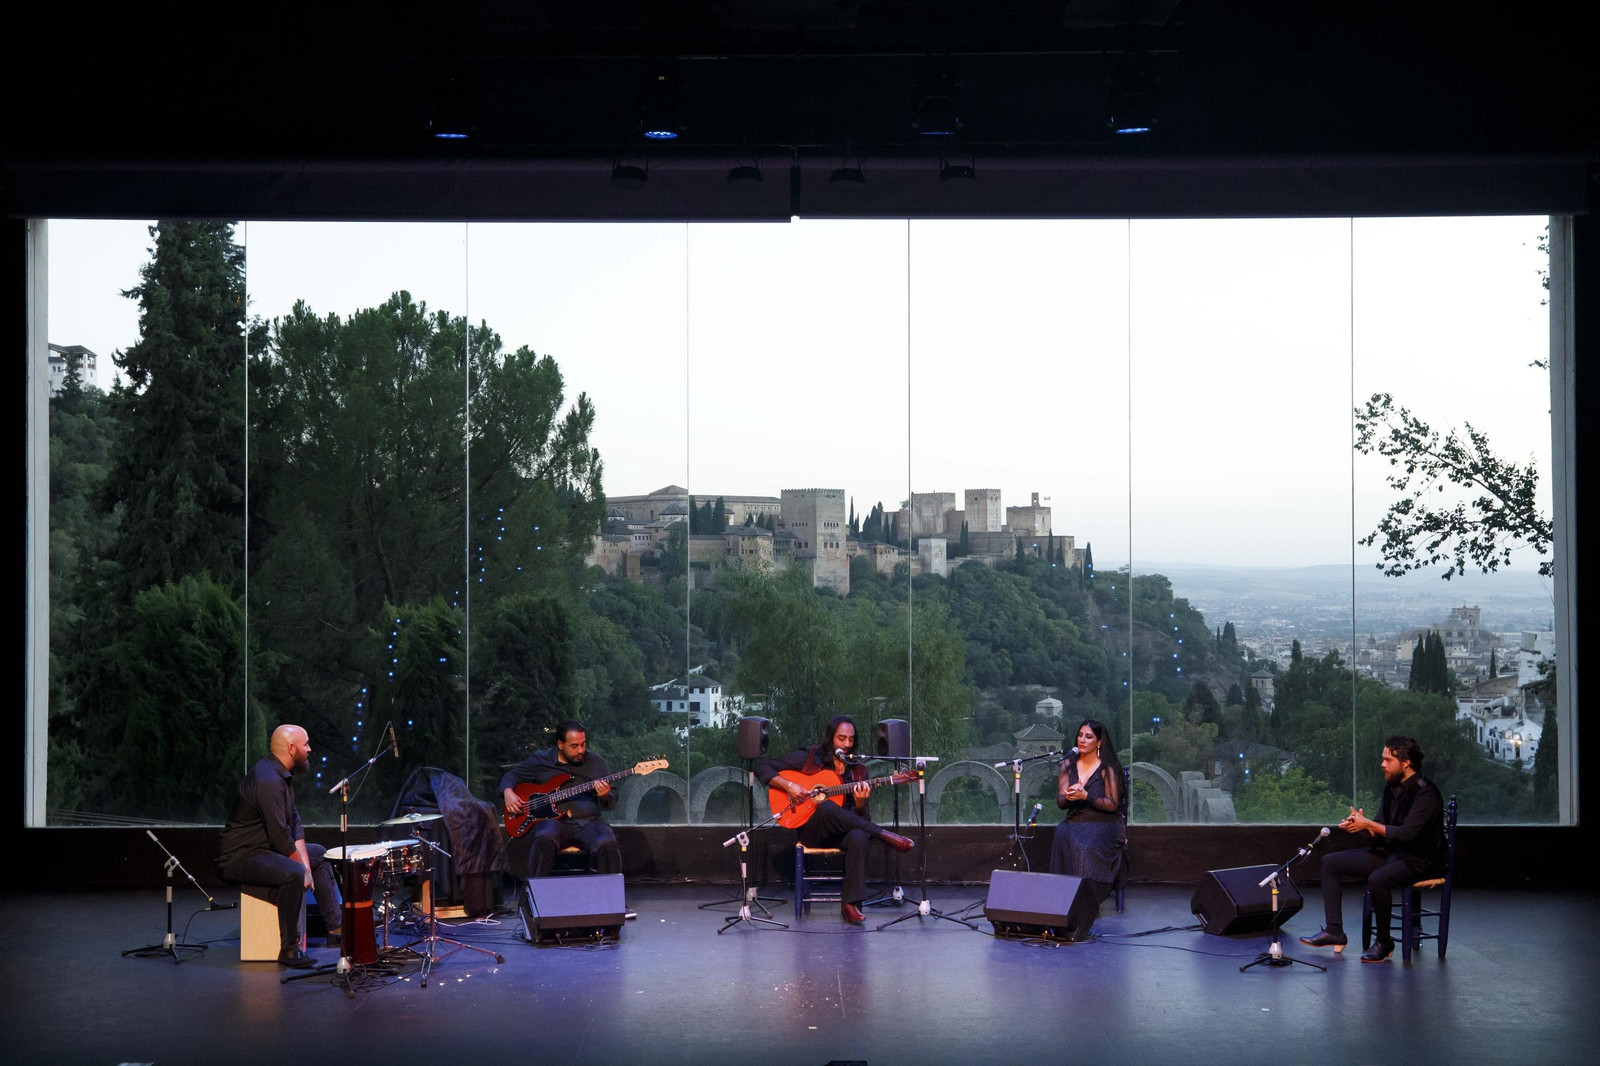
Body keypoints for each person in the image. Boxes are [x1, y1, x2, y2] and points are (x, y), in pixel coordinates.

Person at [1299, 735, 1446, 963]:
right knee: (1330, 862)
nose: (1382, 764)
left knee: (1377, 879)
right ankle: (1334, 930)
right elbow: (1380, 830)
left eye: (1388, 760)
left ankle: (1385, 941)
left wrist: (1369, 824)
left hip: (1420, 860)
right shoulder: (1392, 789)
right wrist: (1360, 825)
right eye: (1383, 759)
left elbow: (1407, 834)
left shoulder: (1426, 793)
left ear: (1406, 762)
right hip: (1394, 854)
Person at [755, 716, 915, 924]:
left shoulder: (859, 770)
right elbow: (762, 768)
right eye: (841, 739)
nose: (847, 744)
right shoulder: (811, 757)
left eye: (851, 739)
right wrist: (789, 786)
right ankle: (881, 833)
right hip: (812, 831)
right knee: (826, 806)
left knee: (858, 836)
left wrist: (859, 804)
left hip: (842, 833)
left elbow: (861, 817)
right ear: (831, 738)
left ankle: (849, 904)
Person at [216, 724, 343, 969]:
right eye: (305, 744)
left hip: (263, 850)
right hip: (239, 857)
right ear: (291, 748)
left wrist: (307, 864)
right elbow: (280, 838)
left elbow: (294, 823)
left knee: (318, 855)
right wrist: (302, 870)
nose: (310, 749)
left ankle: (336, 927)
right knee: (293, 873)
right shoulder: (267, 780)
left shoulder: (281, 775)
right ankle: (289, 949)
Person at [501, 721, 622, 879]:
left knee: (607, 843)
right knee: (544, 839)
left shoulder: (596, 762)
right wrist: (508, 792)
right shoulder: (541, 760)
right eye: (574, 746)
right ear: (560, 744)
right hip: (553, 822)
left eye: (583, 744)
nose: (581, 750)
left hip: (588, 821)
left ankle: (612, 900)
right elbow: (512, 775)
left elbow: (611, 801)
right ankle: (533, 899)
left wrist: (605, 795)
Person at [1049, 719, 1126, 909]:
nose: (1082, 740)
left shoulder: (1108, 767)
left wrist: (1087, 796)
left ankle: (1086, 899)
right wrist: (1069, 796)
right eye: (1080, 735)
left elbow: (1112, 805)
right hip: (1076, 819)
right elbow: (1060, 803)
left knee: (1084, 840)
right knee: (1062, 831)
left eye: (1089, 737)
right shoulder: (1068, 763)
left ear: (1099, 742)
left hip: (1105, 822)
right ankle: (1062, 895)